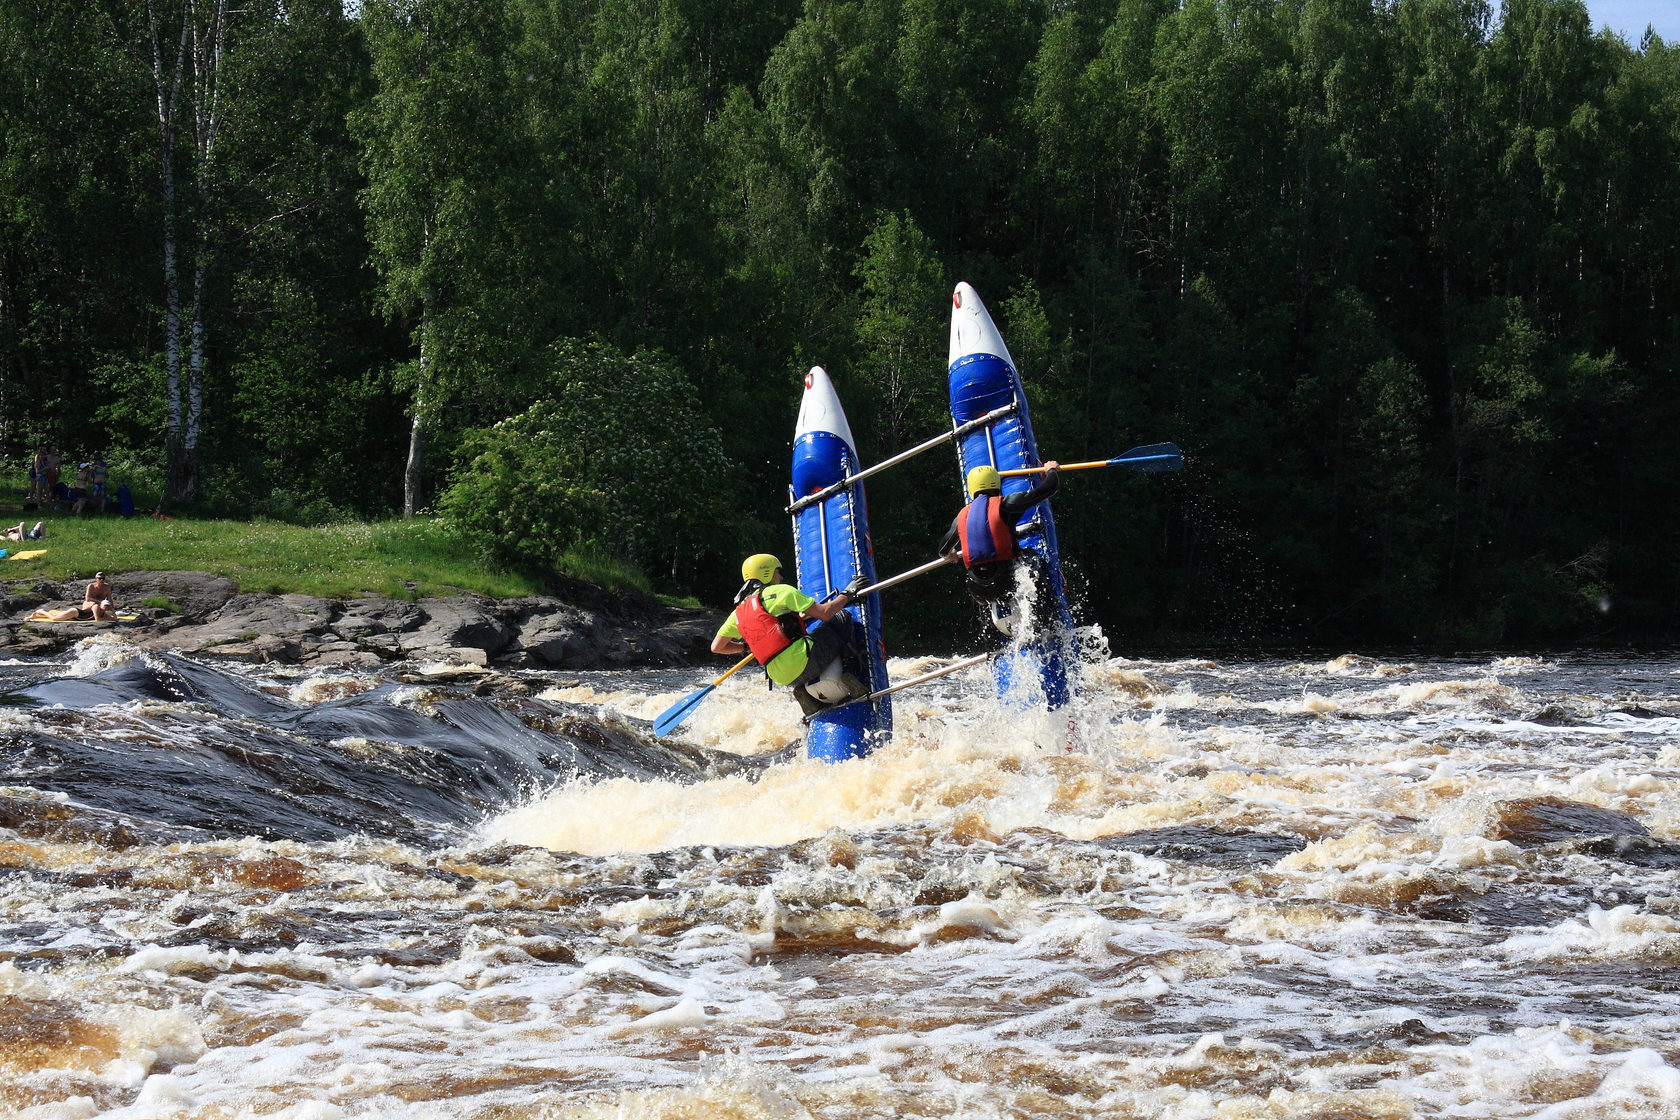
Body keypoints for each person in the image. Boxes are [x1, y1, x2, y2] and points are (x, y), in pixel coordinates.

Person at [711, 554, 869, 717]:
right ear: (768, 573)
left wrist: (746, 648)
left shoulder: (738, 613)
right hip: (807, 662)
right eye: (777, 571)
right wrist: (847, 593)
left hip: (783, 678)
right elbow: (825, 613)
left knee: (801, 646)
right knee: (841, 617)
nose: (780, 576)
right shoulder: (782, 591)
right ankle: (849, 672)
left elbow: (716, 647)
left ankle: (802, 691)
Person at [937, 461, 1061, 630]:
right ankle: (1048, 619)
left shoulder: (960, 517)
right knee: (1033, 559)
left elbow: (943, 550)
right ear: (996, 483)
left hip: (978, 588)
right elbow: (1049, 488)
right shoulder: (1006, 505)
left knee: (980, 583)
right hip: (1006, 580)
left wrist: (951, 553)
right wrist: (1051, 470)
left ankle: (993, 636)